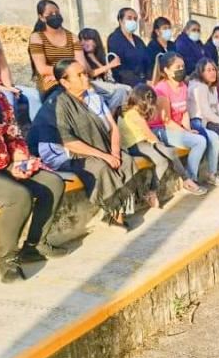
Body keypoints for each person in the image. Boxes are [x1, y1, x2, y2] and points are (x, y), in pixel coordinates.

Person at [30, 59, 147, 230]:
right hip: (67, 155)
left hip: (99, 148)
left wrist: (114, 152)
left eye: (85, 73)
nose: (86, 77)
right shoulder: (58, 104)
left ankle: (121, 209)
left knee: (126, 160)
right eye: (79, 75)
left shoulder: (94, 97)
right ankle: (114, 214)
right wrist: (105, 156)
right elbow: (67, 141)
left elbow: (113, 127)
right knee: (101, 167)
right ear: (64, 82)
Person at [0, 84, 66, 283]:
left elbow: (13, 135)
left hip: (3, 163)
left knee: (53, 183)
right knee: (17, 196)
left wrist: (19, 159)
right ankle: (6, 260)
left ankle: (34, 246)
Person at [118, 84, 207, 198]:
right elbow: (149, 134)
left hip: (143, 142)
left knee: (163, 162)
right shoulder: (133, 114)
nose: (150, 108)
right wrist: (160, 145)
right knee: (170, 152)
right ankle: (187, 181)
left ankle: (152, 192)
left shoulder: (130, 110)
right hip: (136, 146)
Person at [151, 52, 219, 187]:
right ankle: (190, 180)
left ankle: (212, 174)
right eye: (177, 67)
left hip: (177, 126)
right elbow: (166, 120)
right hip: (161, 129)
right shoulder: (161, 89)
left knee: (213, 136)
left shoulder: (183, 86)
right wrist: (186, 132)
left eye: (183, 66)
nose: (181, 70)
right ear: (166, 70)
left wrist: (188, 129)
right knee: (199, 141)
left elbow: (184, 112)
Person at [28, 0, 88, 102]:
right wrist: (65, 74)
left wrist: (62, 74)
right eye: (50, 14)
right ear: (41, 17)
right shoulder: (37, 37)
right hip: (50, 84)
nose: (55, 15)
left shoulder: (72, 37)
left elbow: (82, 65)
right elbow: (42, 69)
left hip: (75, 79)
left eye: (57, 12)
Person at [0, 27, 41, 122]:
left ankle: (36, 132)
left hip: (0, 88)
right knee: (4, 101)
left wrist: (10, 88)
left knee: (33, 96)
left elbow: (4, 72)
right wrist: (5, 88)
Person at [78, 28, 130, 115]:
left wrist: (93, 58)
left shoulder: (99, 56)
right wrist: (110, 65)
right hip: (92, 85)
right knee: (126, 89)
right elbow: (91, 73)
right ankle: (109, 121)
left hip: (103, 87)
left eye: (87, 40)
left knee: (122, 92)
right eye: (81, 40)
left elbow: (106, 75)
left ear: (95, 41)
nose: (83, 43)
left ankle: (111, 119)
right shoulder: (81, 57)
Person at [107, 7, 148, 88]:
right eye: (129, 18)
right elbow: (120, 68)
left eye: (135, 19)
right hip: (126, 84)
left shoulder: (138, 40)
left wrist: (149, 78)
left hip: (144, 80)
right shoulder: (114, 39)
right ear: (120, 20)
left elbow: (147, 60)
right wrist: (139, 83)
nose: (133, 21)